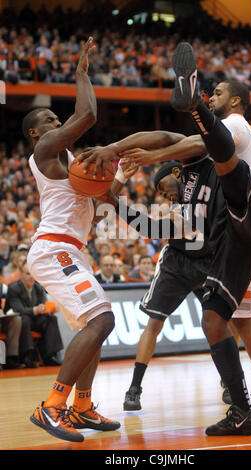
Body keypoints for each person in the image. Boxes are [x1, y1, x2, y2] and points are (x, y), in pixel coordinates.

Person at [82, 43, 251, 435]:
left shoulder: (221, 138)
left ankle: (193, 105)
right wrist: (116, 185)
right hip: (231, 240)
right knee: (216, 320)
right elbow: (158, 225)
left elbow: (175, 139)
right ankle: (244, 410)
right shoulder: (184, 205)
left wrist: (129, 154)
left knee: (223, 160)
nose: (164, 192)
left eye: (166, 185)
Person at [23, 37, 120, 443]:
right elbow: (88, 113)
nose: (54, 121)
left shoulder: (75, 165)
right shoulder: (45, 149)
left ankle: (81, 406)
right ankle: (51, 406)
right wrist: (81, 73)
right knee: (102, 319)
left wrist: (117, 178)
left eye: (53, 118)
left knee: (91, 327)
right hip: (54, 249)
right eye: (47, 118)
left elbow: (107, 203)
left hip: (70, 251)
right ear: (34, 133)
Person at [5, 260, 63, 367]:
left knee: (51, 318)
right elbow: (18, 309)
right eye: (27, 274)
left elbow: (43, 305)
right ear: (21, 274)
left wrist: (50, 309)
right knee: (24, 318)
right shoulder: (13, 288)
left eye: (32, 273)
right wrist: (35, 310)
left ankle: (50, 355)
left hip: (35, 319)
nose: (31, 277)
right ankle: (27, 356)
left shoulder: (38, 287)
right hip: (17, 321)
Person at [0, 280, 23, 369]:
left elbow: (4, 305)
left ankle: (11, 358)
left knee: (16, 320)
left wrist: (3, 312)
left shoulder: (1, 285)